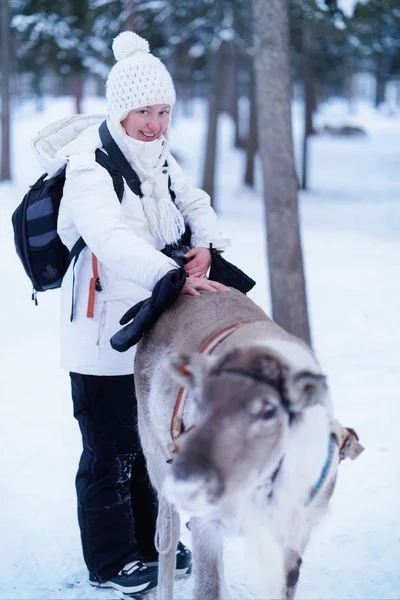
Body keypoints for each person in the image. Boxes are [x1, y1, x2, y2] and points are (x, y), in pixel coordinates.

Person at [32, 31, 230, 596]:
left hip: (151, 325)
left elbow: (192, 200)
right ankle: (110, 559)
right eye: (144, 111)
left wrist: (207, 243)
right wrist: (169, 275)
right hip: (98, 332)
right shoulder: (89, 165)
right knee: (107, 452)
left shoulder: (157, 155)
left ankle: (147, 544)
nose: (154, 122)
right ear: (121, 109)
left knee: (146, 442)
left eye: (163, 110)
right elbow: (110, 237)